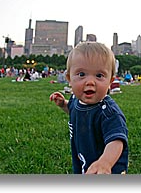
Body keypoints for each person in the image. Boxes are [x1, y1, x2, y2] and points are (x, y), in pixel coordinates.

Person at [49, 41, 129, 174]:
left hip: (107, 169)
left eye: (99, 75)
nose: (90, 82)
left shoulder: (108, 112)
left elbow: (116, 141)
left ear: (110, 81)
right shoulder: (76, 100)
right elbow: (73, 109)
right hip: (84, 159)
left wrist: (105, 162)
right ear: (69, 78)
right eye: (81, 74)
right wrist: (64, 104)